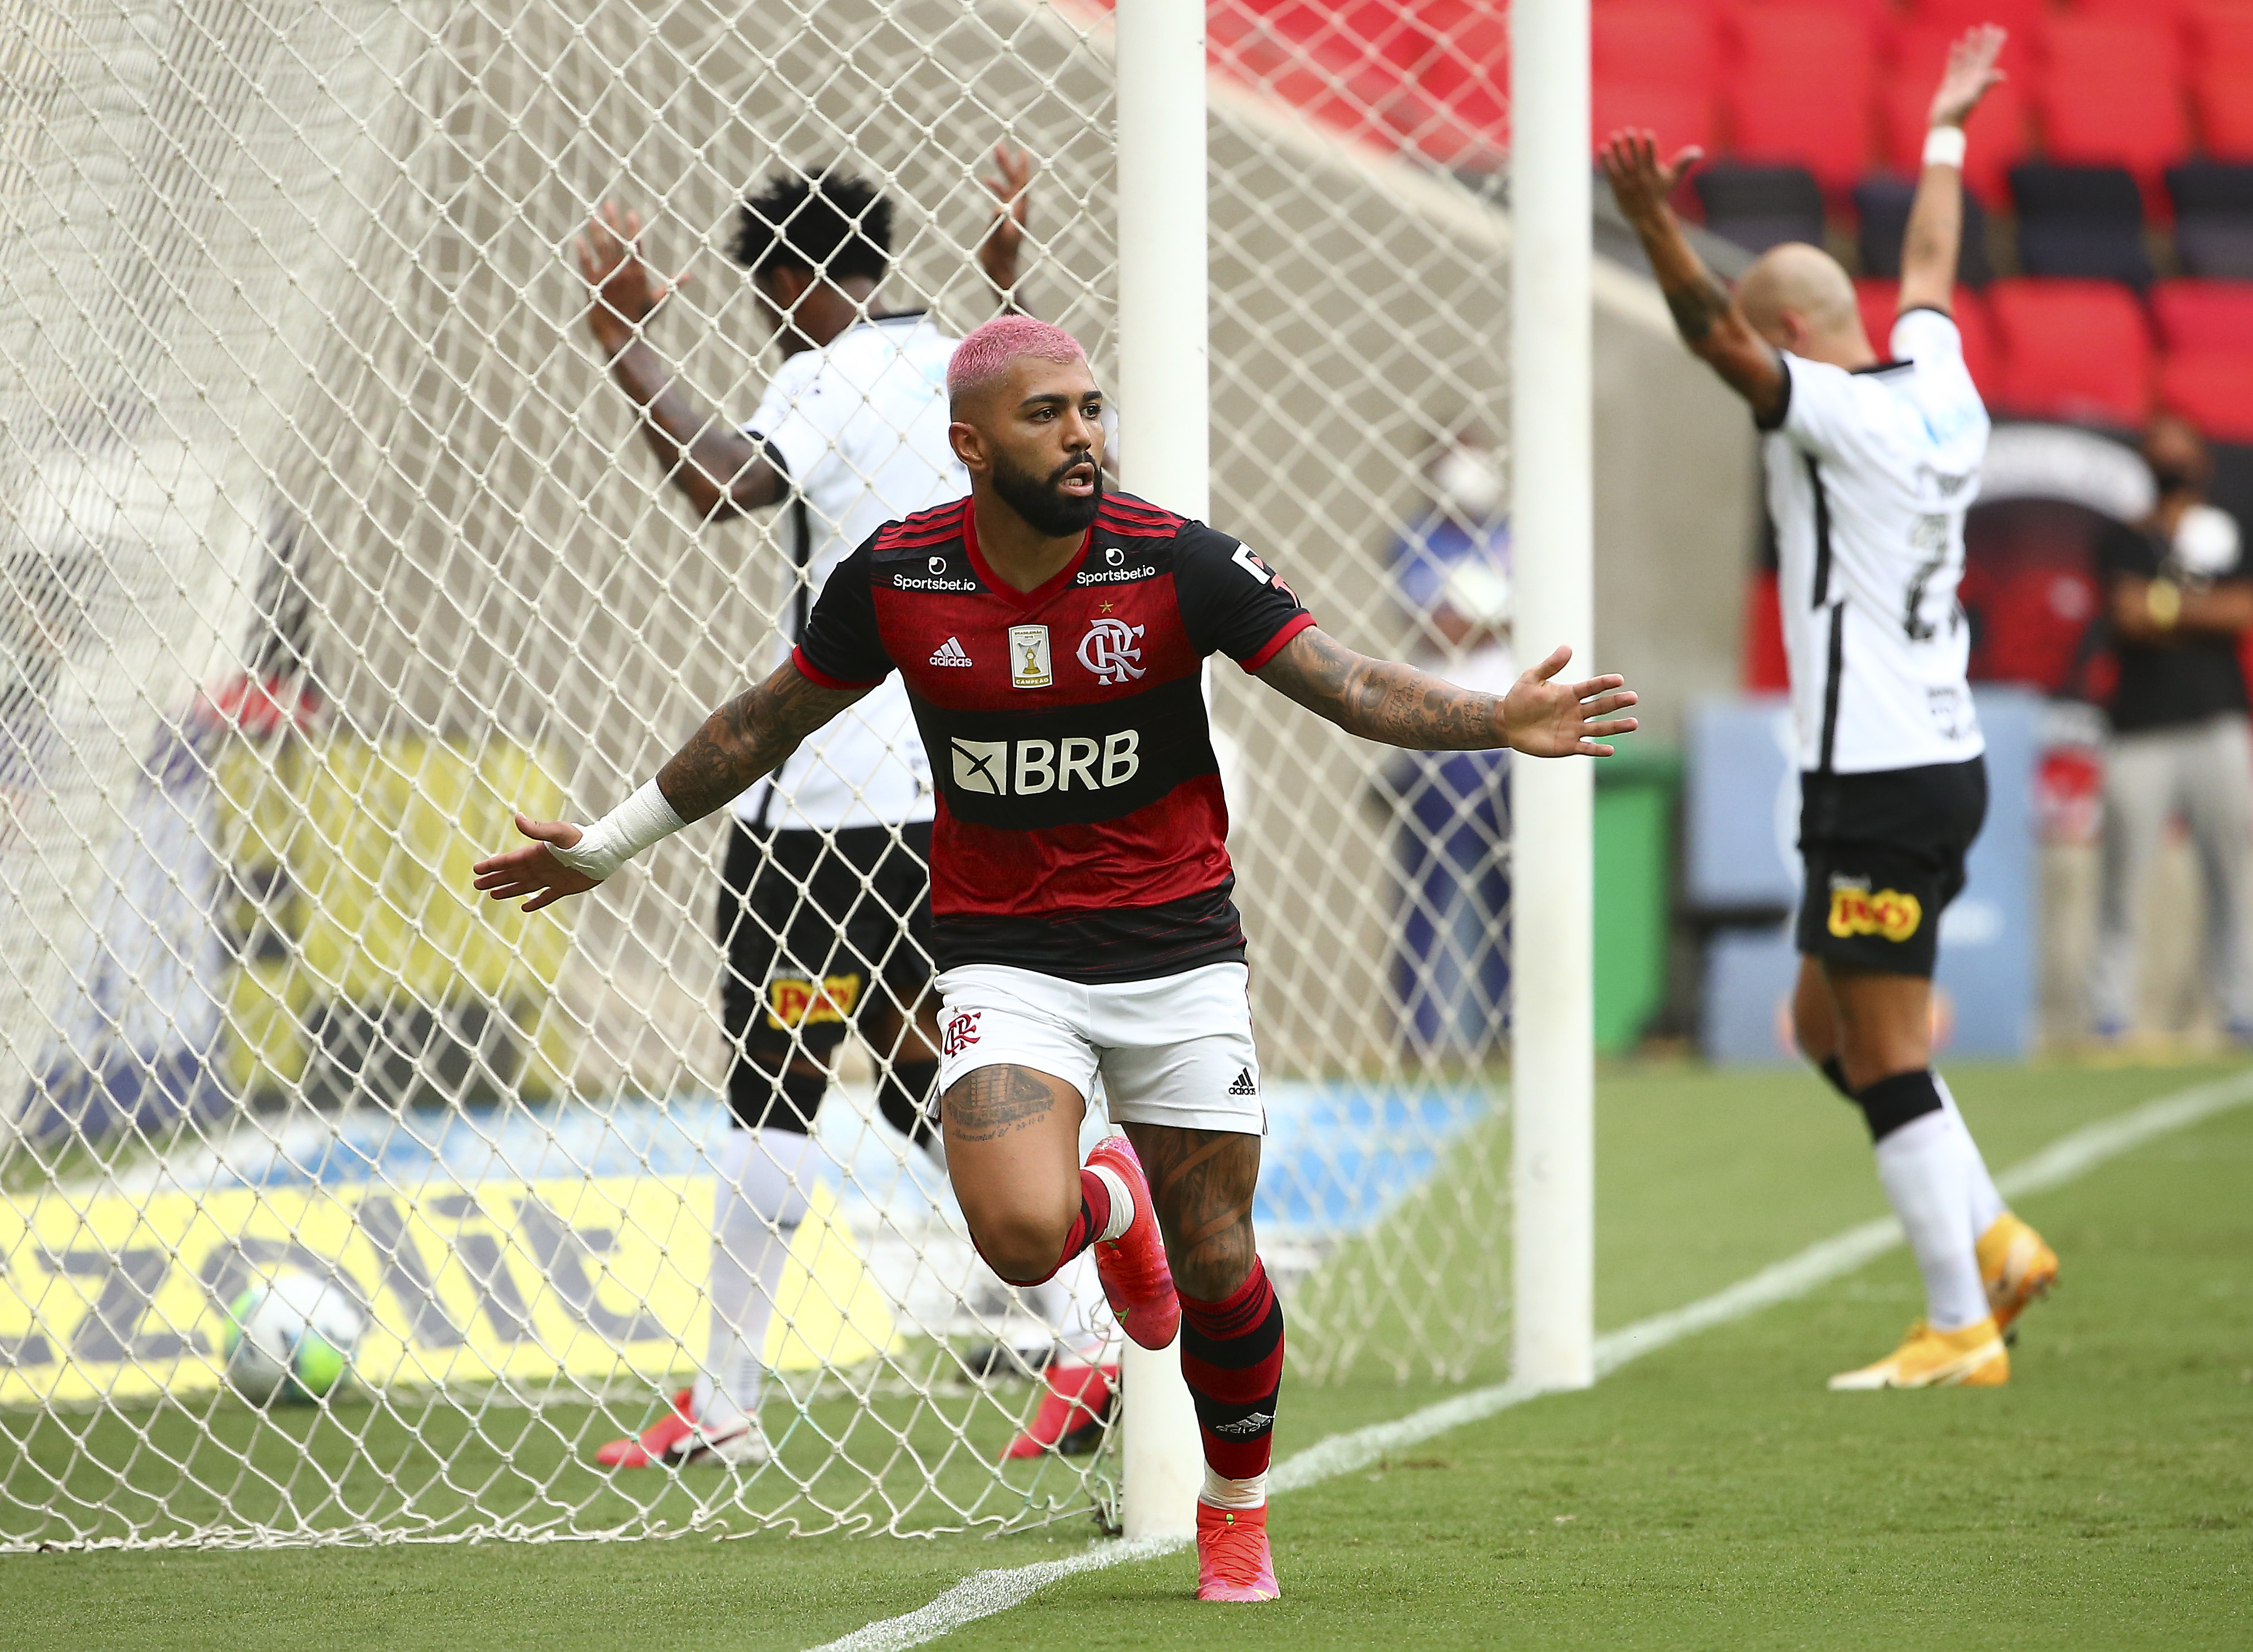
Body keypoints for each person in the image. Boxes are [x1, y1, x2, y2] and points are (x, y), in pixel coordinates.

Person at [473, 315, 1637, 1598]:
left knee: (1220, 1267)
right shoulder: (898, 578)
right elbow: (762, 721)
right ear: (969, 443)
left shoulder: (1176, 561)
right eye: (1047, 414)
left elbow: (1345, 685)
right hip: (1005, 962)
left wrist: (1498, 718)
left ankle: (1232, 1509)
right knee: (1023, 1240)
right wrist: (608, 846)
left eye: (1088, 407)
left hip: (1180, 956)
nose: (1081, 432)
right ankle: (1106, 1205)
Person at [571, 151, 1104, 1468]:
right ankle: (1090, 1337)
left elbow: (722, 483)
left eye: (760, 296)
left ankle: (731, 1401)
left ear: (786, 282)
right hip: (954, 787)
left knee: (774, 1090)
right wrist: (1010, 273)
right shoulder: (967, 370)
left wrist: (627, 342)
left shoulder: (821, 373)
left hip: (826, 805)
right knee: (917, 1081)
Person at [1602, 24, 2058, 1391]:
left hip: (1876, 772)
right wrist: (1941, 127)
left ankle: (1957, 1322)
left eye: (1765, 333)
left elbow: (1710, 341)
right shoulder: (1941, 384)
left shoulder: (1834, 415)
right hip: (1934, 754)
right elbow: (1929, 260)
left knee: (1882, 1048)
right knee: (1821, 1028)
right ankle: (1989, 1232)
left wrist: (1649, 226)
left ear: (1790, 335)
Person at [2089, 413, 2253, 1044]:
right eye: (2159, 450)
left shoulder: (2229, 530)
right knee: (2123, 876)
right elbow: (2125, 615)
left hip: (2216, 721)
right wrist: (2194, 610)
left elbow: (2242, 610)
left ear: (2202, 464)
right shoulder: (2125, 537)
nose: (2169, 460)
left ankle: (2239, 1009)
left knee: (2232, 873)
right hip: (2139, 729)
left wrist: (2164, 605)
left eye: (2180, 449)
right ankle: (2111, 1015)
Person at [1384, 433, 1515, 1061]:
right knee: (1427, 893)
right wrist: (1496, 617)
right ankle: (1419, 1037)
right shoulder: (1417, 537)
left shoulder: (1520, 531)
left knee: (1510, 892)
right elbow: (1439, 628)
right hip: (1435, 741)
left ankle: (1509, 1031)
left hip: (1510, 744)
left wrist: (1486, 621)